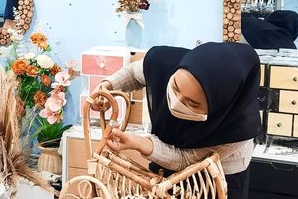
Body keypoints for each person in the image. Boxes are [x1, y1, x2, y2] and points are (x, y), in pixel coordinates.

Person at [97, 42, 260, 199]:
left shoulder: (238, 128)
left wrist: (140, 143)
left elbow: (186, 160)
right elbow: (135, 74)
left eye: (192, 103)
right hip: (170, 153)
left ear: (218, 108)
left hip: (220, 174)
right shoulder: (168, 63)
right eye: (175, 87)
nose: (176, 102)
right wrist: (106, 86)